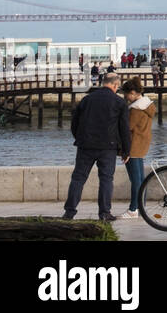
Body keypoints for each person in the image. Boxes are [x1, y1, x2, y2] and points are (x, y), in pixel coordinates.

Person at [62, 71, 130, 221]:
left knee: (78, 178)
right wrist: (126, 151)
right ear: (115, 84)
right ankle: (104, 213)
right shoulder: (119, 103)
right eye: (117, 87)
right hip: (108, 147)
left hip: (86, 145)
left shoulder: (87, 99)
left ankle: (69, 212)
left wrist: (80, 138)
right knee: (106, 179)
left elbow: (74, 123)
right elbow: (124, 129)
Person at [120, 78, 156, 219]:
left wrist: (124, 150)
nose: (125, 97)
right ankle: (142, 208)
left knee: (135, 180)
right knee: (141, 179)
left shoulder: (136, 109)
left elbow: (127, 129)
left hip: (133, 146)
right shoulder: (147, 105)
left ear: (133, 93)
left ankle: (133, 209)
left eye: (127, 94)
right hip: (142, 144)